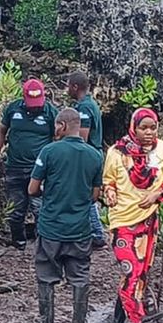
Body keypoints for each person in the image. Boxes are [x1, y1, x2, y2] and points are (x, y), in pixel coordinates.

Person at [102, 107, 163, 323]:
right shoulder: (116, 152)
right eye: (143, 128)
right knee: (131, 270)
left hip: (148, 220)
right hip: (122, 221)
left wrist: (155, 194)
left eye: (152, 128)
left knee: (139, 274)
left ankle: (118, 321)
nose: (148, 133)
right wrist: (110, 194)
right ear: (133, 128)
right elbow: (107, 181)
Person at [30, 109, 102, 323]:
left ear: (61, 125)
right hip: (80, 230)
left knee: (46, 276)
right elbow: (94, 195)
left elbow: (32, 189)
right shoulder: (94, 156)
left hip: (50, 227)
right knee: (80, 277)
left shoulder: (49, 151)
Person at [0, 78, 57, 249]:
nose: (35, 106)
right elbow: (1, 129)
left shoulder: (51, 112)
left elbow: (58, 138)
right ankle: (18, 242)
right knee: (15, 208)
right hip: (14, 166)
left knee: (39, 208)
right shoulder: (13, 108)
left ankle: (42, 243)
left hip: (39, 169)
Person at [69, 71, 106, 249]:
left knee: (86, 194)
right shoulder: (91, 104)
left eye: (68, 85)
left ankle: (97, 233)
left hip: (88, 154)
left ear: (75, 87)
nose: (66, 89)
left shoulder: (84, 108)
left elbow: (81, 138)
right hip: (94, 153)